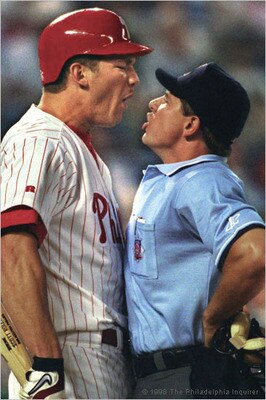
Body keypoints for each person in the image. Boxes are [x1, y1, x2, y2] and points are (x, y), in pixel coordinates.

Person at [1, 7, 152, 399]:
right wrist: (46, 366)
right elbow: (11, 250)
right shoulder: (39, 139)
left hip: (103, 357)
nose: (135, 79)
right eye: (123, 64)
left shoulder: (88, 156)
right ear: (80, 73)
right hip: (68, 355)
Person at [124, 62, 265, 399]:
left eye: (167, 100)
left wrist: (214, 318)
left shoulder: (202, 180)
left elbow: (256, 254)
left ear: (191, 124)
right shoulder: (175, 180)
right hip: (169, 375)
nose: (153, 104)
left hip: (188, 376)